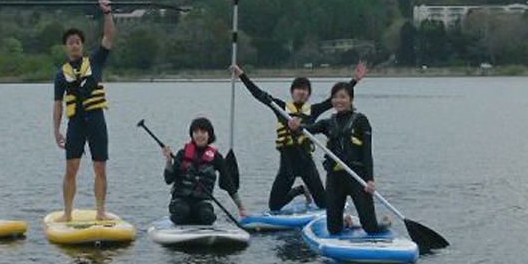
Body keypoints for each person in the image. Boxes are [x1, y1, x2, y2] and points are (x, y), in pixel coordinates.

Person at [230, 63, 366, 212]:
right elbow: (258, 94)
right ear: (292, 92)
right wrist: (241, 75)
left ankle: (341, 201)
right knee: (274, 206)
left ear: (308, 94)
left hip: (306, 162)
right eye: (298, 89)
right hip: (287, 163)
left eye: (305, 90)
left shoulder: (313, 110)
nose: (301, 92)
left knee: (323, 204)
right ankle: (299, 190)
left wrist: (354, 81)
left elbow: (334, 99)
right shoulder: (280, 108)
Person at [288, 81, 389, 235]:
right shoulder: (328, 123)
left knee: (370, 228)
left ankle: (384, 223)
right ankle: (347, 221)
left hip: (357, 177)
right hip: (335, 178)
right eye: (335, 97)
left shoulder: (362, 121)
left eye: (343, 97)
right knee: (333, 230)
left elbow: (367, 153)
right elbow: (307, 130)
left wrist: (370, 180)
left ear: (351, 99)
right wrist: (296, 128)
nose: (338, 101)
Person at [52, 0, 115, 222]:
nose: (75, 45)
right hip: (76, 124)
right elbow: (58, 104)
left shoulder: (96, 62)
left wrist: (107, 13)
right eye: (71, 42)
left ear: (82, 44)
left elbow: (108, 38)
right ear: (66, 47)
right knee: (71, 169)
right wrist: (56, 130)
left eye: (78, 41)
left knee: (100, 168)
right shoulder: (61, 75)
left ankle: (100, 211)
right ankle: (67, 213)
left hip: (96, 120)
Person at [162, 117, 246, 225]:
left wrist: (241, 208)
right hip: (180, 200)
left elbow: (228, 183)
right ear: (192, 135)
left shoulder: (216, 157)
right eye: (196, 132)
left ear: (209, 134)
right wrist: (169, 161)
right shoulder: (182, 154)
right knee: (182, 211)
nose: (199, 135)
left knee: (206, 215)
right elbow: (168, 179)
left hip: (202, 202)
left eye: (203, 132)